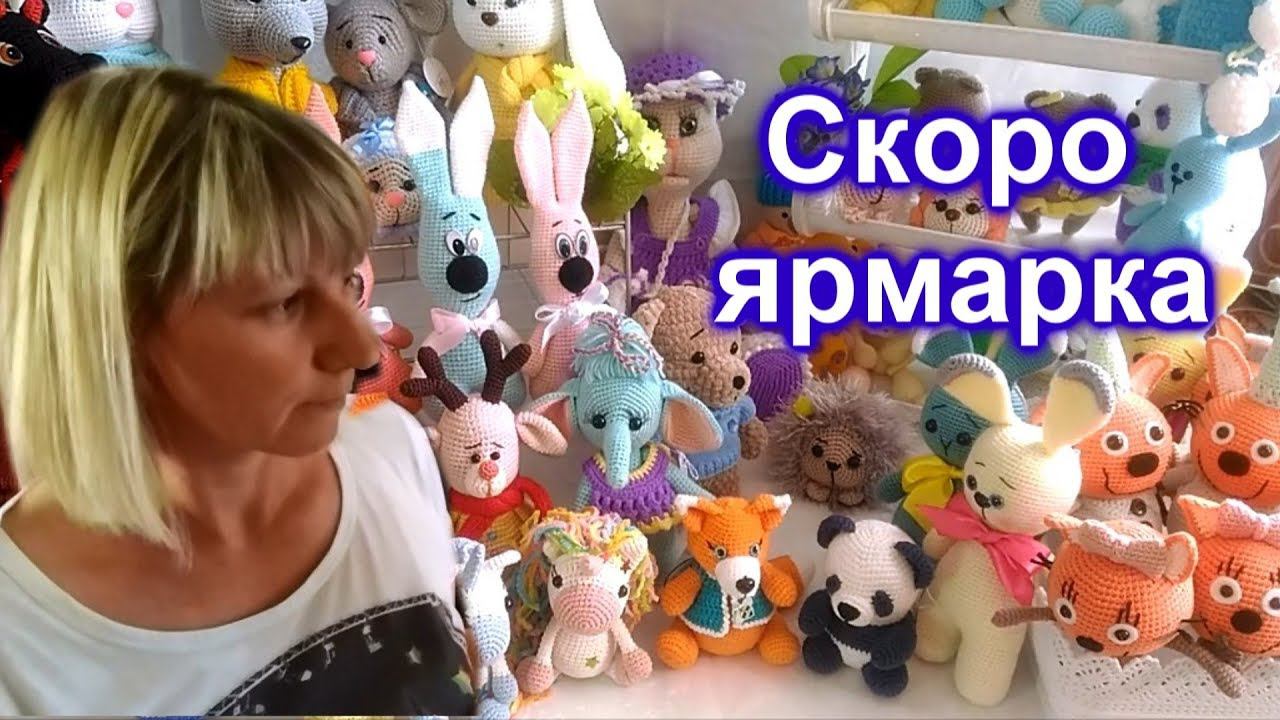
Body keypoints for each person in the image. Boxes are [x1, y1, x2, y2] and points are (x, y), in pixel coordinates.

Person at [0, 67, 475, 716]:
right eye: (284, 303)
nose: (362, 351)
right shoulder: (20, 642)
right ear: (114, 324)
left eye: (347, 283)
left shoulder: (395, 453)